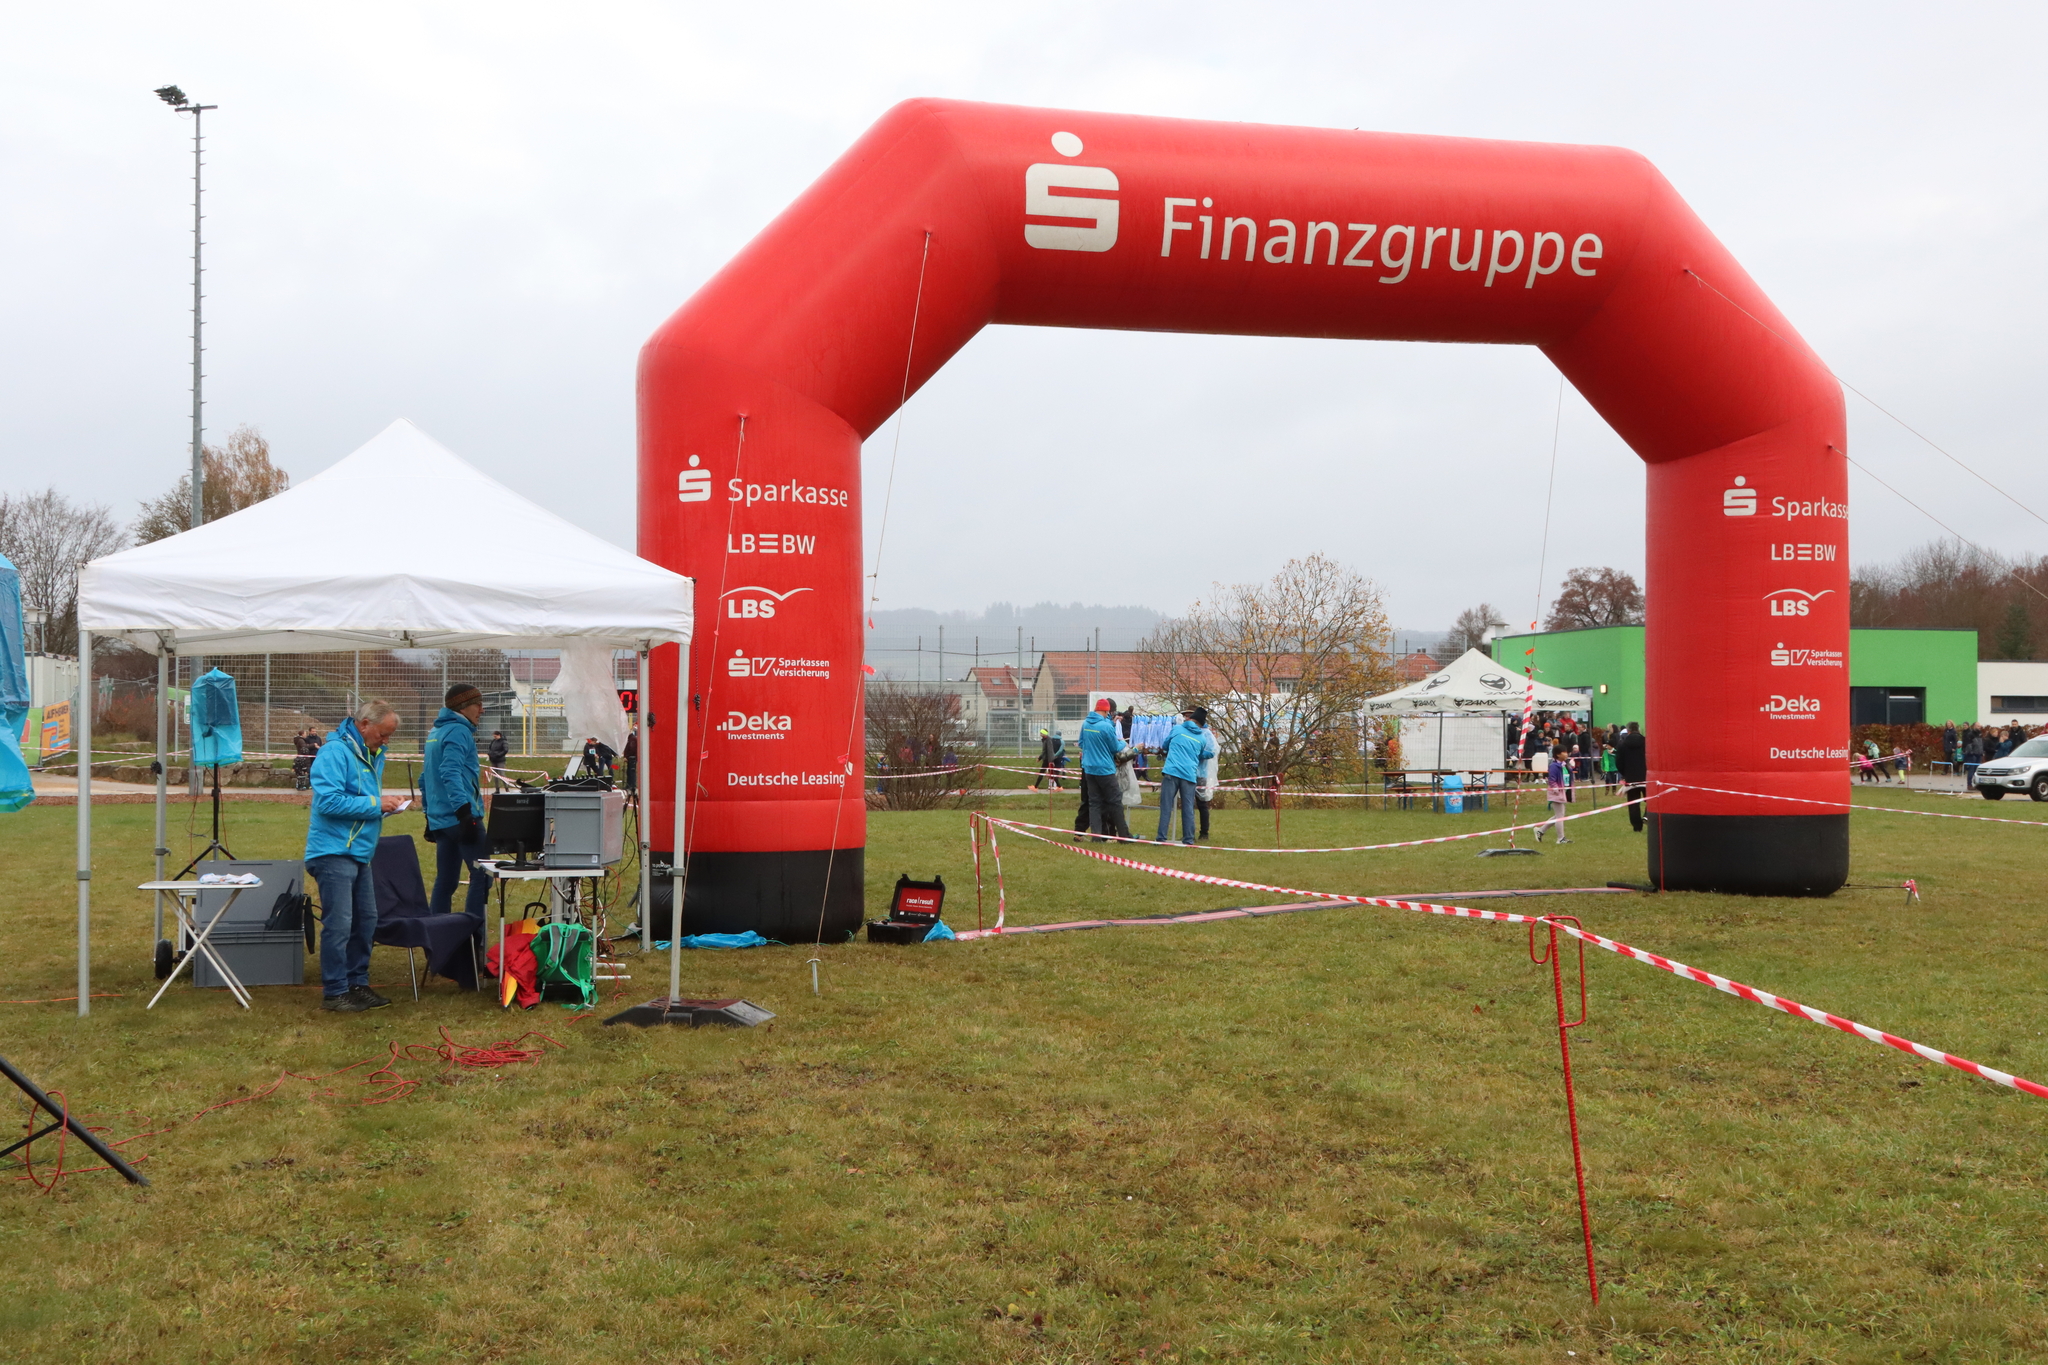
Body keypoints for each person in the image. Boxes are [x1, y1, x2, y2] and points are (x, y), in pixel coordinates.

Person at [306, 699, 406, 1012]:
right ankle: (335, 991)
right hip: (332, 851)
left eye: (390, 736)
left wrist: (385, 807)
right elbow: (328, 802)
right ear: (364, 725)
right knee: (339, 925)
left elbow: (360, 802)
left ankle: (357, 984)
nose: (385, 741)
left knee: (365, 922)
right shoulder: (334, 752)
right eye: (383, 734)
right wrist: (376, 804)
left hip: (359, 851)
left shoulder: (372, 754)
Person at [423, 683, 492, 932]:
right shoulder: (459, 731)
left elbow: (424, 778)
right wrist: (465, 814)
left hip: (441, 819)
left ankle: (437, 938)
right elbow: (449, 772)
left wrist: (429, 815)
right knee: (482, 876)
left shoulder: (435, 732)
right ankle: (472, 940)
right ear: (463, 707)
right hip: (461, 817)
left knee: (446, 880)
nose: (482, 710)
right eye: (478, 705)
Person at [1157, 706, 1218, 845]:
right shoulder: (1202, 738)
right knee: (1188, 808)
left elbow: (1165, 745)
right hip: (1189, 775)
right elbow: (1200, 754)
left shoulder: (1177, 729)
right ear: (1201, 724)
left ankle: (1161, 838)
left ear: (1190, 719)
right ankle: (1188, 839)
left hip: (1171, 771)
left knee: (1166, 806)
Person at [1077, 698, 1132, 842]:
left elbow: (1081, 743)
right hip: (1105, 770)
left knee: (1094, 803)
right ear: (1107, 711)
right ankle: (1124, 836)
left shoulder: (1086, 723)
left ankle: (1096, 837)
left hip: (1089, 769)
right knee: (1115, 802)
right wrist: (1123, 742)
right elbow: (1115, 748)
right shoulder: (1106, 726)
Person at [1535, 743, 1571, 844]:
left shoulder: (1564, 765)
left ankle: (1540, 831)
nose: (1566, 754)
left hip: (1562, 792)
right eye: (1564, 752)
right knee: (1560, 816)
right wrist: (1556, 790)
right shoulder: (1554, 766)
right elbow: (1552, 780)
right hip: (1556, 793)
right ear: (1558, 754)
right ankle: (1560, 838)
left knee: (1559, 815)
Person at [1615, 721, 1648, 833]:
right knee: (1651, 799)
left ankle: (1637, 826)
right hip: (1646, 776)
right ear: (1638, 729)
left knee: (1633, 802)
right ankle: (1647, 815)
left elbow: (1619, 762)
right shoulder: (1647, 742)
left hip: (1631, 777)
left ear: (1628, 731)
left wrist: (1625, 773)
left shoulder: (1622, 744)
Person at [622, 722, 638, 799]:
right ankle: (629, 785)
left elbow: (632, 749)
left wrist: (627, 757)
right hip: (630, 758)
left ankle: (632, 785)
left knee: (632, 772)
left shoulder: (632, 739)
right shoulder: (630, 739)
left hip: (632, 758)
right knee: (629, 772)